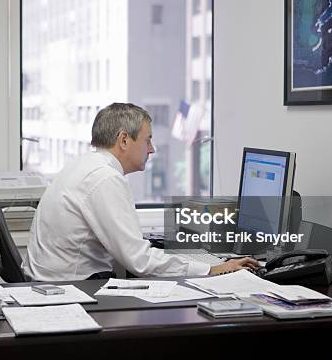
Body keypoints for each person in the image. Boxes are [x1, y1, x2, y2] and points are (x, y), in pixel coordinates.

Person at [22, 103, 258, 281]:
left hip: (53, 281)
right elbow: (140, 262)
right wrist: (213, 269)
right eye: (147, 140)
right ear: (124, 140)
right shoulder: (105, 179)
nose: (152, 149)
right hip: (72, 288)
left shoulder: (86, 165)